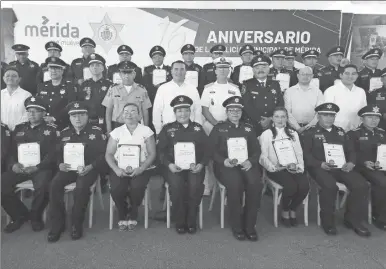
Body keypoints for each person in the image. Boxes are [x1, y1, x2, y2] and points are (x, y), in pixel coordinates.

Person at [301, 102, 371, 237]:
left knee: (361, 185)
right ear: (318, 116)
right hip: (320, 168)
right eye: (325, 115)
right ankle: (328, 222)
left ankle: (352, 219)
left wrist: (351, 162)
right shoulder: (309, 133)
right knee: (330, 187)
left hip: (341, 167)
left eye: (332, 115)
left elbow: (351, 150)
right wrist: (319, 164)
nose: (329, 118)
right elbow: (305, 155)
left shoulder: (340, 132)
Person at [47, 101, 107, 242]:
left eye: (81, 115)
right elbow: (56, 153)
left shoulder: (96, 132)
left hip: (88, 168)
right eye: (74, 116)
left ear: (87, 116)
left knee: (81, 188)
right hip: (68, 169)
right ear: (69, 118)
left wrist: (91, 167)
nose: (77, 118)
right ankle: (58, 223)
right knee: (54, 185)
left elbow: (103, 155)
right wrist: (59, 164)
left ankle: (76, 223)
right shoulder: (64, 133)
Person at [208, 96, 262, 241]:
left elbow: (256, 150)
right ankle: (237, 225)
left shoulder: (249, 129)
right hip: (225, 166)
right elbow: (211, 150)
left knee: (255, 184)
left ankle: (250, 225)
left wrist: (251, 161)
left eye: (238, 110)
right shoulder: (219, 128)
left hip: (246, 164)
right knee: (235, 185)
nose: (235, 113)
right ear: (226, 112)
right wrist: (223, 160)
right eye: (231, 110)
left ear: (241, 112)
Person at [1, 96, 58, 233]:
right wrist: (13, 164)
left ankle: (35, 216)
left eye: (36, 111)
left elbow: (53, 154)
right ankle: (19, 215)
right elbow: (9, 151)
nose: (31, 114)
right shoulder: (19, 129)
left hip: (41, 168)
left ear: (44, 113)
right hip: (20, 167)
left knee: (43, 186)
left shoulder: (51, 130)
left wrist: (38, 167)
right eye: (29, 111)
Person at [157, 95, 209, 234]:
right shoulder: (167, 129)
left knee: (195, 187)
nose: (183, 114)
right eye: (179, 111)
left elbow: (207, 150)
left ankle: (191, 219)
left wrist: (202, 164)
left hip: (195, 168)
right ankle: (180, 220)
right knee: (177, 187)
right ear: (174, 113)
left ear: (190, 112)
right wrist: (169, 165)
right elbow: (160, 151)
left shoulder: (198, 128)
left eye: (186, 110)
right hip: (174, 168)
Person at [105, 103, 156, 231]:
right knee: (116, 188)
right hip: (119, 168)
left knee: (137, 187)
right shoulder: (116, 132)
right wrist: (116, 169)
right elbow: (109, 154)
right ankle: (122, 211)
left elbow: (152, 153)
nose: (129, 114)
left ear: (139, 115)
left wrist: (142, 168)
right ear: (122, 115)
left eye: (133, 111)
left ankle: (133, 211)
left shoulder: (146, 131)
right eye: (126, 111)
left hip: (141, 168)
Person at [259, 107, 309, 227]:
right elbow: (262, 157)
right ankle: (285, 211)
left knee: (304, 186)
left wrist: (298, 166)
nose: (280, 119)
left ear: (287, 118)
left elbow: (299, 153)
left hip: (292, 166)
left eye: (283, 116)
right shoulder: (266, 134)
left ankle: (293, 209)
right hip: (276, 169)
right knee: (291, 186)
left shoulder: (293, 134)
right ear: (272, 118)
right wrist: (273, 167)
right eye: (277, 116)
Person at [201, 57, 241, 195]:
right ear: (215, 70)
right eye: (220, 68)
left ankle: (226, 186)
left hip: (229, 127)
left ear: (229, 70)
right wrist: (215, 124)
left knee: (226, 156)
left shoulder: (234, 88)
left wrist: (226, 124)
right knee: (208, 157)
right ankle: (208, 185)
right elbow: (204, 109)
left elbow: (238, 108)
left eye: (226, 68)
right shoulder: (208, 88)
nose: (223, 70)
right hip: (211, 126)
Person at [348, 104, 386, 231]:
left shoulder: (382, 133)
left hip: (381, 166)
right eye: (370, 117)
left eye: (376, 118)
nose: (374, 120)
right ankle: (380, 217)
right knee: (382, 182)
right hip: (362, 167)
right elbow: (350, 153)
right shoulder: (353, 134)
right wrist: (364, 162)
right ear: (362, 119)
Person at [152, 60, 202, 136]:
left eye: (182, 69)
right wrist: (158, 131)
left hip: (190, 131)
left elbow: (198, 111)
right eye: (176, 69)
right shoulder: (163, 88)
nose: (179, 72)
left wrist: (197, 129)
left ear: (186, 72)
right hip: (168, 131)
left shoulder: (192, 88)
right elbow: (157, 112)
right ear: (171, 71)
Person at [103, 61, 152, 133]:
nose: (126, 75)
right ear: (120, 74)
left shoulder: (141, 89)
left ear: (134, 74)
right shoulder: (113, 89)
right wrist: (109, 129)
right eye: (124, 73)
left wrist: (146, 130)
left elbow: (145, 111)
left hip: (136, 127)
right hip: (117, 126)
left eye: (129, 73)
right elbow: (108, 110)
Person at [241, 55, 283, 136]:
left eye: (264, 67)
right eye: (257, 68)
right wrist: (260, 121)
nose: (260, 70)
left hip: (272, 124)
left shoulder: (275, 84)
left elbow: (280, 104)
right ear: (253, 70)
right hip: (253, 125)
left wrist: (270, 119)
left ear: (268, 69)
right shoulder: (247, 84)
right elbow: (247, 105)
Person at [36, 57, 78, 130]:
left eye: (56, 69)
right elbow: (39, 105)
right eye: (51, 68)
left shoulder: (70, 87)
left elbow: (70, 106)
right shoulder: (42, 86)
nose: (53, 71)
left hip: (62, 125)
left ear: (62, 71)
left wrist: (54, 118)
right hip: (43, 124)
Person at [324, 64, 367, 132]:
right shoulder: (331, 91)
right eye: (347, 73)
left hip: (356, 131)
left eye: (353, 74)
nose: (350, 76)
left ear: (357, 76)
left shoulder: (361, 91)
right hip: (336, 131)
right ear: (341, 75)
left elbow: (363, 112)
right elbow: (327, 113)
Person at [78, 53, 113, 132]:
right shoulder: (84, 85)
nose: (95, 67)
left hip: (105, 123)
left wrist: (109, 129)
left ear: (103, 68)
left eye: (98, 65)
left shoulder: (110, 85)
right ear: (89, 68)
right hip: (87, 122)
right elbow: (80, 103)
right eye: (92, 65)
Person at [284, 66, 325, 133]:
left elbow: (319, 112)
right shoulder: (289, 91)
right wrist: (297, 127)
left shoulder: (318, 92)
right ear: (298, 76)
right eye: (303, 74)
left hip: (312, 128)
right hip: (292, 129)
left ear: (312, 76)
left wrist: (308, 126)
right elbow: (287, 112)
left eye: (308, 74)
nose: (305, 76)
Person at [142, 45, 172, 132]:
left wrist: (162, 86)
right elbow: (145, 84)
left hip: (167, 99)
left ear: (163, 57)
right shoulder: (147, 69)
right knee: (153, 122)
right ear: (152, 59)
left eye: (159, 56)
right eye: (155, 57)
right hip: (152, 99)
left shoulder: (169, 69)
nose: (157, 59)